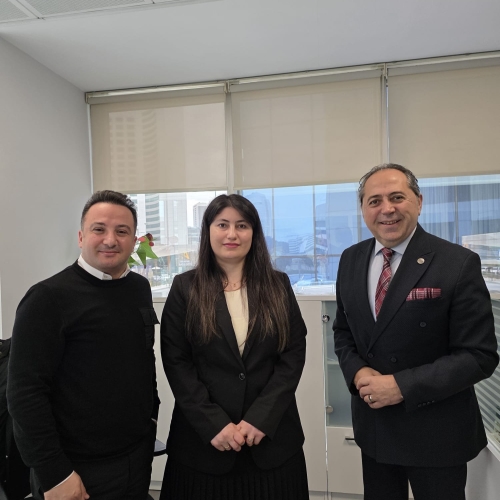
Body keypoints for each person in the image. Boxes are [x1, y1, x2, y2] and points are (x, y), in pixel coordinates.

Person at [333, 163, 499, 500]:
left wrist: (401, 387)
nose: (387, 209)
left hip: (436, 433)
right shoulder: (351, 259)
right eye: (374, 201)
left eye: (397, 197)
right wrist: (358, 372)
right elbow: (343, 331)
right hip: (375, 429)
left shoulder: (457, 262)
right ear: (363, 209)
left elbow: (479, 355)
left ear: (419, 202)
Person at [7, 190, 160, 500]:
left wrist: (152, 418)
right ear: (81, 237)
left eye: (122, 231)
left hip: (136, 456)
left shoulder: (138, 288)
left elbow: (143, 360)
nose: (110, 240)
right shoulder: (47, 298)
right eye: (99, 229)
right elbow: (24, 394)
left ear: (134, 241)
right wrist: (55, 474)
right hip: (75, 469)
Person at [160, 194, 309, 500]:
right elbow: (176, 362)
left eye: (242, 225)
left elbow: (293, 355)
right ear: (208, 231)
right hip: (203, 446)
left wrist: (261, 418)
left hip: (271, 443)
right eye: (222, 225)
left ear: (254, 233)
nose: (232, 234)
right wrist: (213, 424)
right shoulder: (185, 288)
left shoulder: (278, 285)